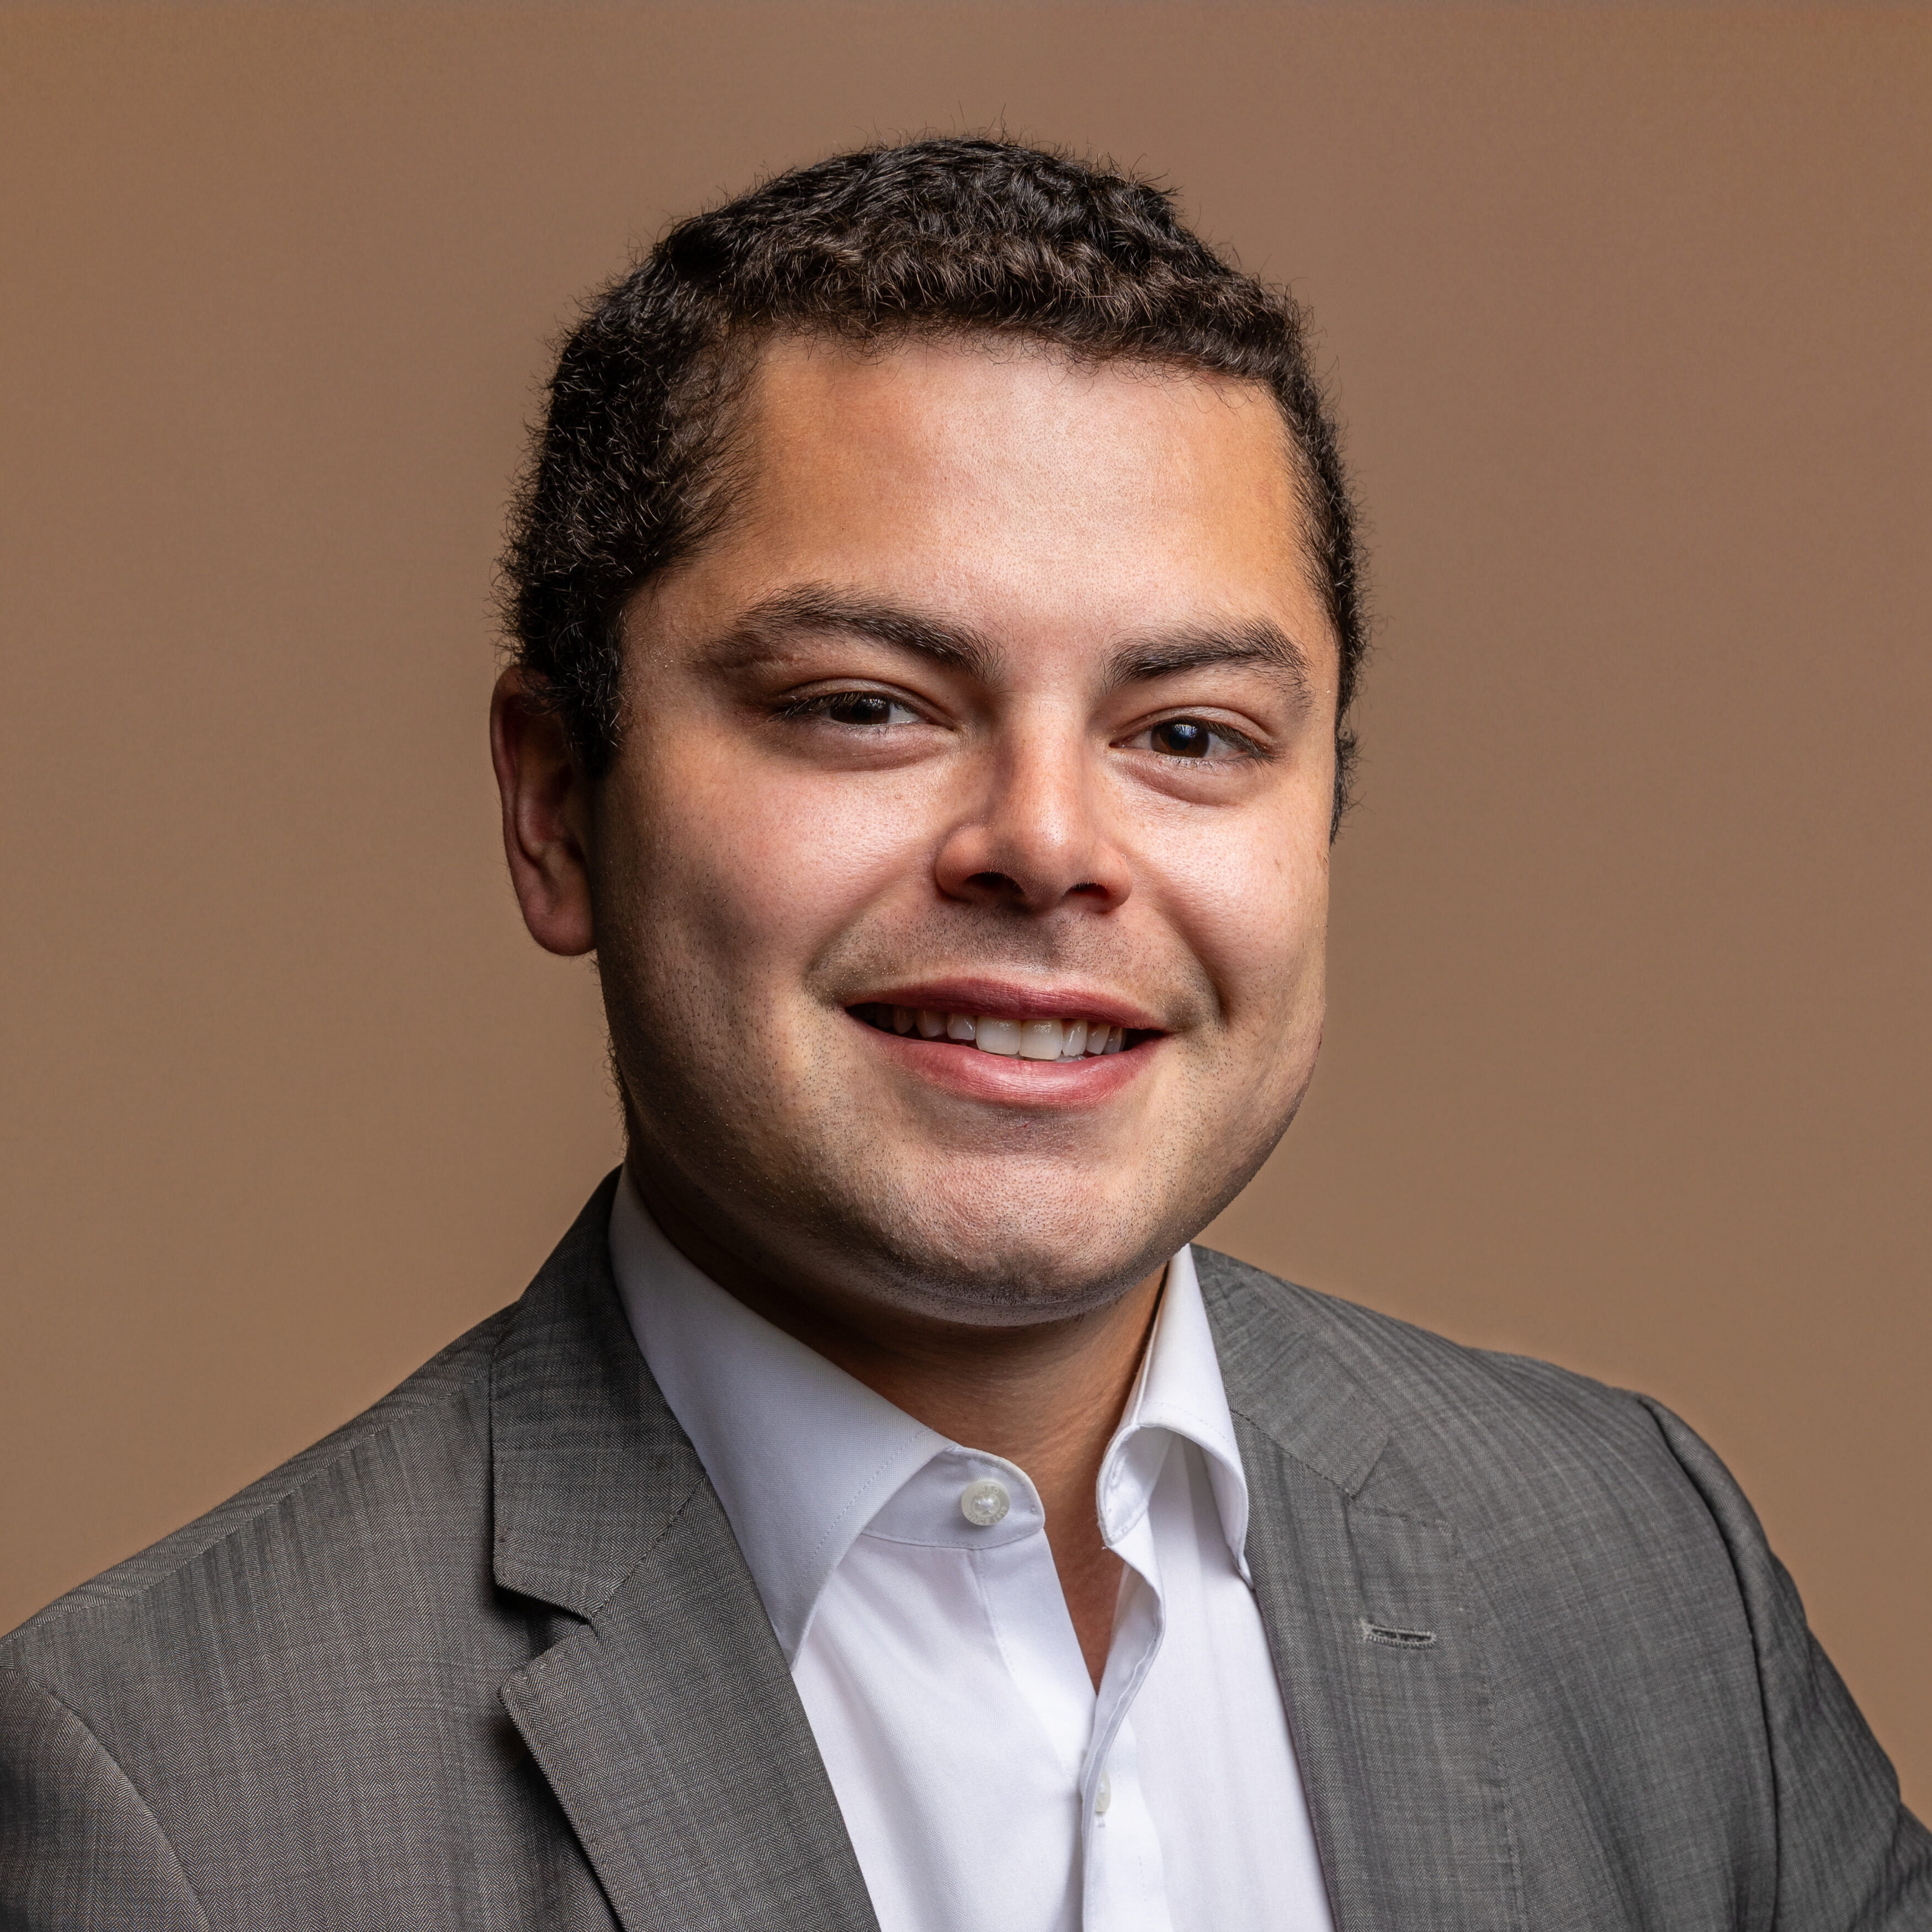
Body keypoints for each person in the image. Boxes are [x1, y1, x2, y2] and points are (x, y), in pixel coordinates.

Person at [1, 136, 1923, 1932]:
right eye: (866, 705)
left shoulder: (1640, 1570)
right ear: (557, 804)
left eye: (1188, 733)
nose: (1049, 844)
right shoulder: (171, 1801)